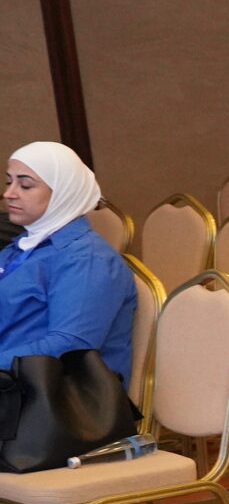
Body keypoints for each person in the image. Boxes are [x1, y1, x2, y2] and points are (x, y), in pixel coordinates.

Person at [0, 142, 135, 380]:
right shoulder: (24, 245)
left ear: (63, 192)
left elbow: (70, 346)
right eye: (9, 182)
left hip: (51, 393)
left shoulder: (88, 259)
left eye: (25, 185)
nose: (9, 193)